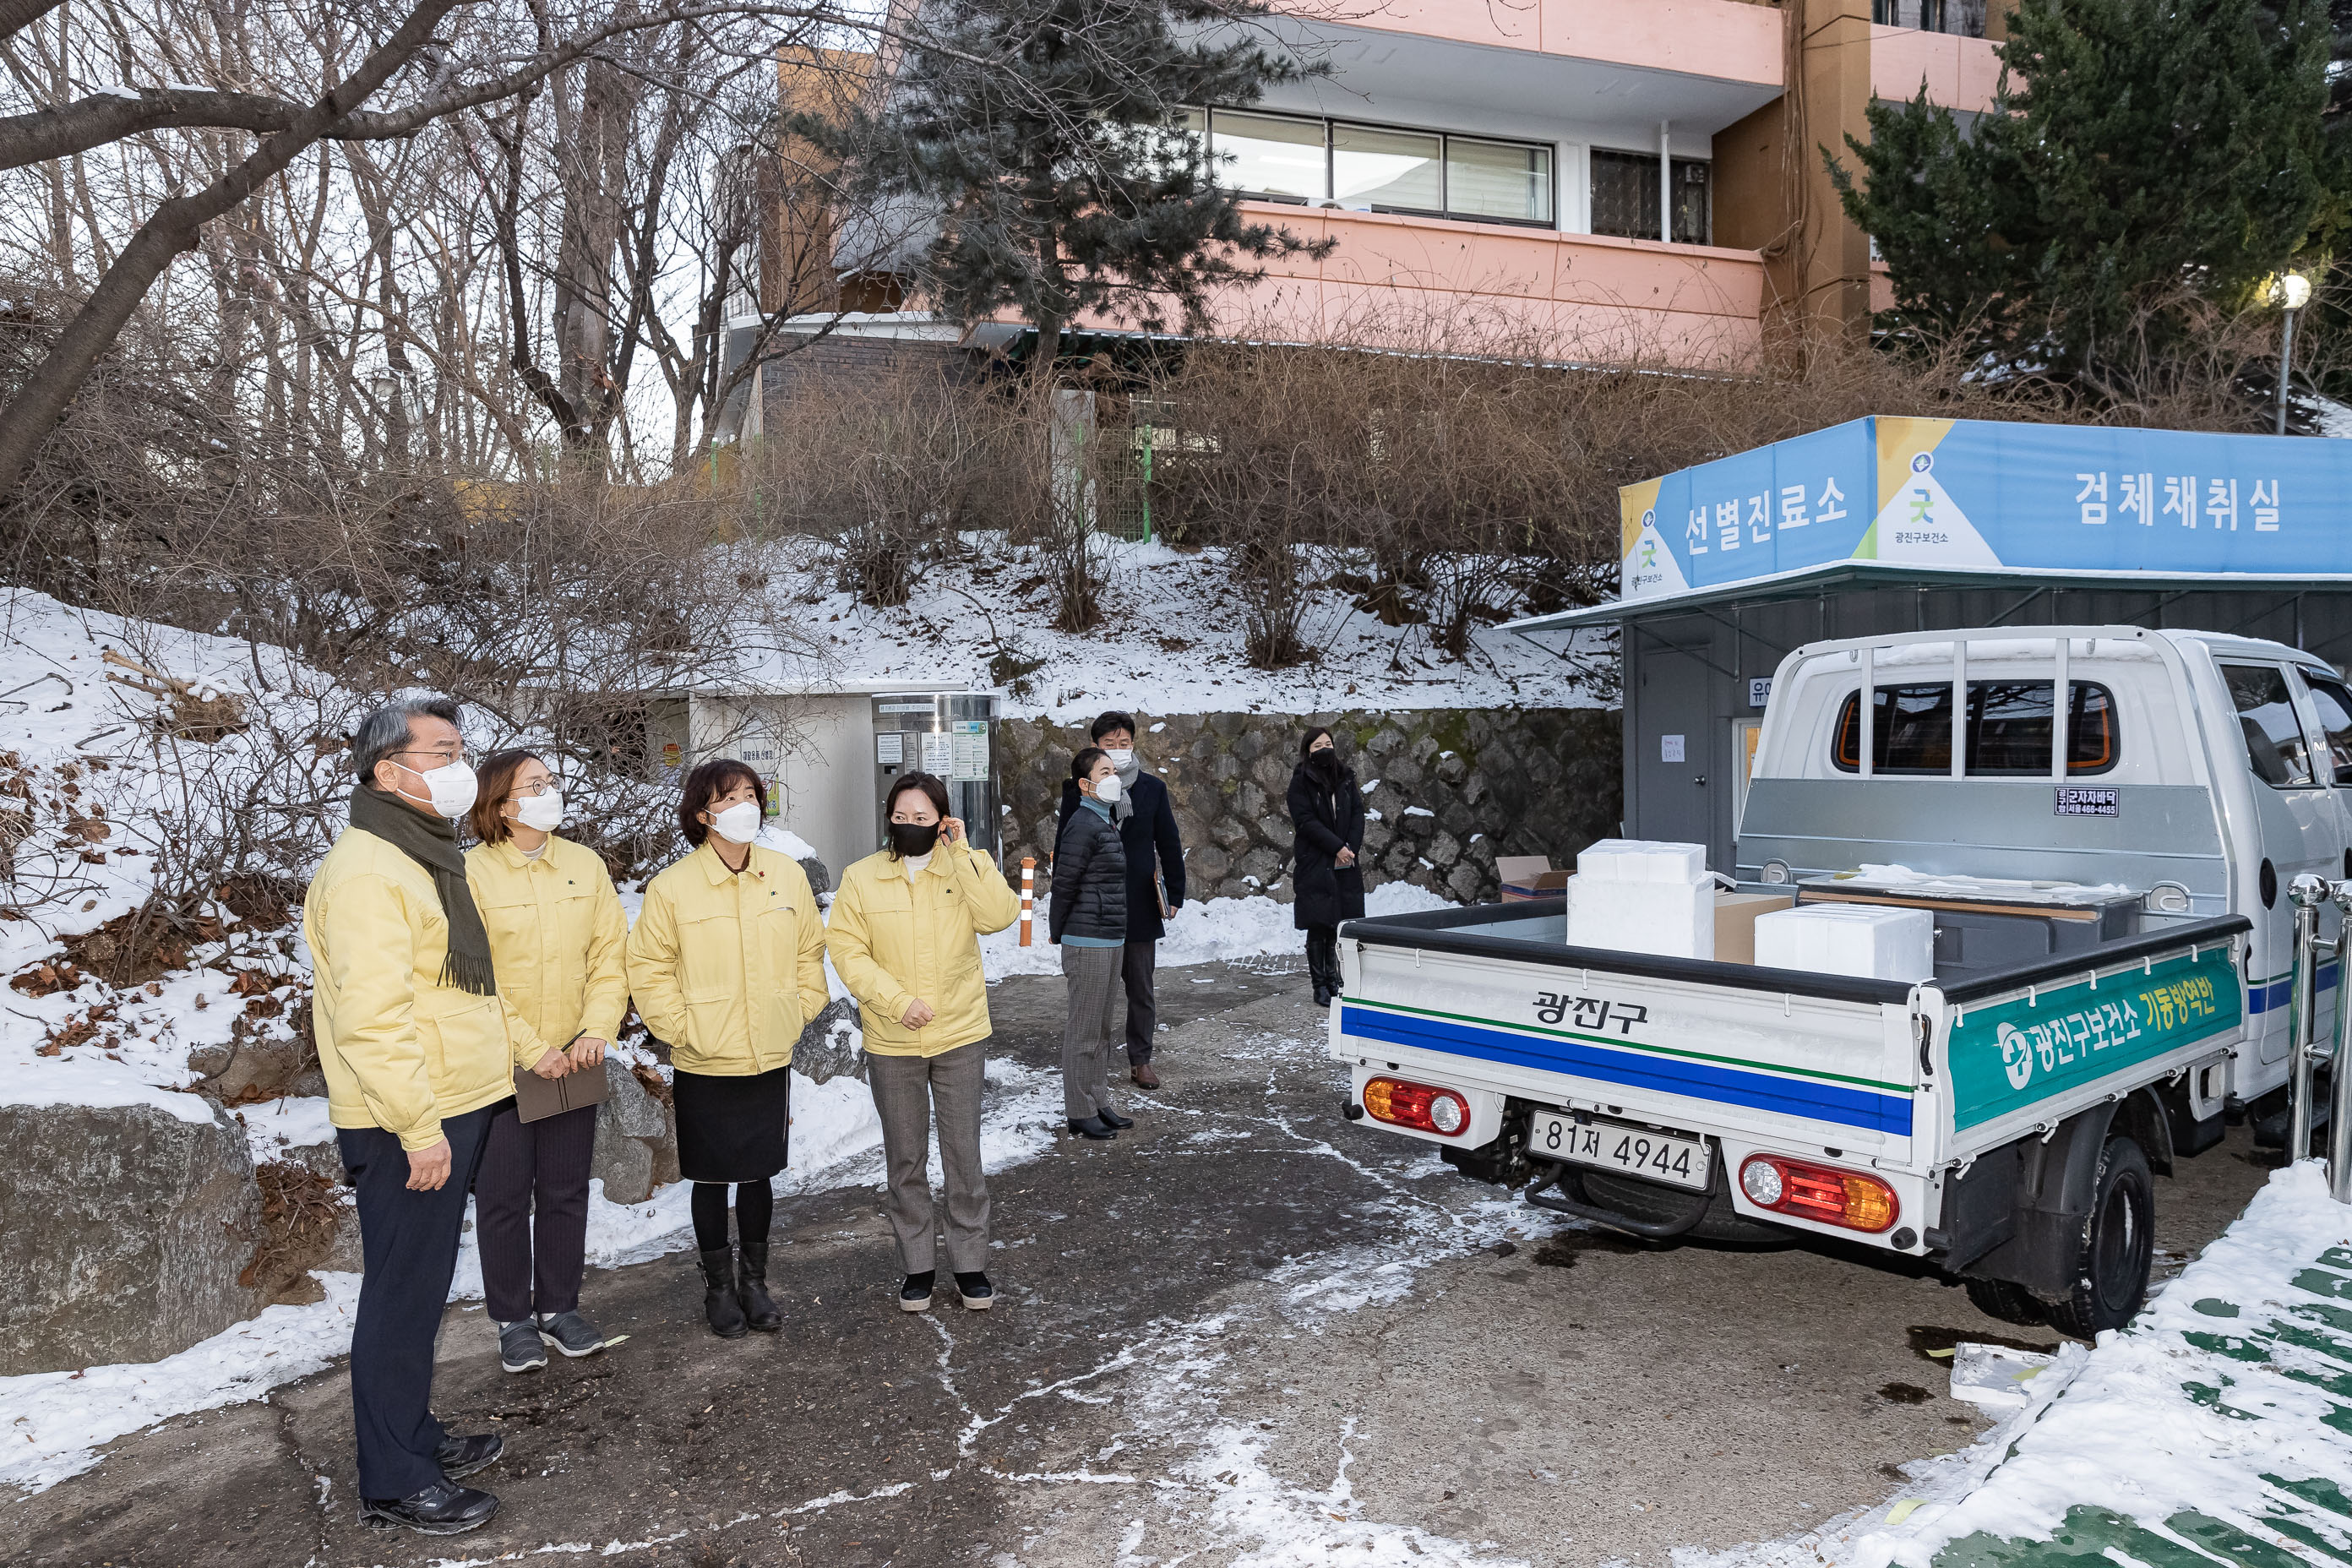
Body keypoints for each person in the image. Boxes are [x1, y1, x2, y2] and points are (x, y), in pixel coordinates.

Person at [304, 696, 573, 1536]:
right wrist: (417, 1126)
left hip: (453, 1100)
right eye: (442, 750)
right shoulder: (368, 873)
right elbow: (372, 1019)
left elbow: (464, 989)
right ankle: (394, 1476)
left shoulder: (421, 856)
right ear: (388, 770)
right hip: (406, 1120)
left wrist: (526, 1047)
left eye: (463, 748)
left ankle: (413, 1436)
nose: (461, 764)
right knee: (399, 1296)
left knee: (419, 1295)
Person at [626, 759, 827, 1339]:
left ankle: (755, 1281)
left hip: (768, 1051)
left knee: (759, 1173)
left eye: (751, 794)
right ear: (702, 813)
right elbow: (650, 970)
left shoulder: (786, 876)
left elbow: (809, 954)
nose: (746, 805)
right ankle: (718, 1288)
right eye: (731, 796)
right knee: (712, 1177)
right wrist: (684, 1029)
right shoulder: (672, 887)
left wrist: (798, 1011)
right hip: (705, 1057)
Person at [825, 771, 1021, 1313]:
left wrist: (966, 854)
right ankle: (917, 1266)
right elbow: (847, 950)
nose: (910, 825)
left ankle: (970, 1263)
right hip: (892, 1039)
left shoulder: (960, 869)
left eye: (923, 818)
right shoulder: (861, 878)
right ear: (889, 817)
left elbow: (1000, 915)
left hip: (959, 1033)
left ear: (942, 821)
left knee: (964, 1156)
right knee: (905, 1159)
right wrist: (894, 1002)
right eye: (901, 816)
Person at [465, 749, 629, 1375]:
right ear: (502, 805)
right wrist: (532, 1049)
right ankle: (512, 1320)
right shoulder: (473, 875)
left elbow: (610, 955)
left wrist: (595, 1029)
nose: (549, 792)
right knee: (504, 1196)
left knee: (565, 1191)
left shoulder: (583, 865)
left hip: (577, 1053)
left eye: (551, 782)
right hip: (502, 1063)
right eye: (534, 785)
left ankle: (560, 1306)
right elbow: (472, 977)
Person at [1054, 710, 1184, 1089]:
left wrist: (1175, 890)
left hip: (1139, 902)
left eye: (1124, 744)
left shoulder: (1152, 790)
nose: (1118, 750)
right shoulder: (1080, 790)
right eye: (1110, 745)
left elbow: (1169, 842)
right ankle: (1095, 1064)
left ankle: (1140, 1059)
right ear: (1096, 748)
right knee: (1098, 992)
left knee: (1141, 987)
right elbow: (1066, 848)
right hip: (1094, 906)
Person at [1050, 747, 1135, 1141]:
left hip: (1109, 936)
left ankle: (1097, 1101)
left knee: (1101, 1030)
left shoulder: (1105, 820)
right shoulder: (1083, 823)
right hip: (1088, 940)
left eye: (1113, 770)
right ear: (1086, 785)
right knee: (1084, 1030)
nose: (1113, 776)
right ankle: (1079, 1110)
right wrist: (1057, 929)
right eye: (1105, 771)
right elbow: (1064, 882)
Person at [1288, 727, 1366, 1008]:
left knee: (1340, 922)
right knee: (1319, 923)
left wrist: (1351, 848)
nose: (1324, 749)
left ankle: (1336, 980)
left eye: (1328, 743)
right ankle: (1320, 984)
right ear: (1308, 750)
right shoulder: (1301, 782)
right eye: (1318, 745)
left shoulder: (1346, 778)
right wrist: (1337, 847)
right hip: (1317, 860)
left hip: (1346, 860)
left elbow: (1357, 813)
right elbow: (1305, 822)